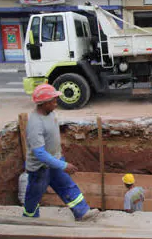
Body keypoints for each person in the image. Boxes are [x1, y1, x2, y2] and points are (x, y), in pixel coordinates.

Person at [23, 84, 99, 221]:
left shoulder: (51, 114)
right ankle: (29, 219)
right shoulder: (35, 124)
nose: (56, 103)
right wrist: (63, 165)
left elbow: (51, 138)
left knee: (67, 185)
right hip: (40, 169)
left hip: (54, 162)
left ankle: (82, 212)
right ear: (44, 103)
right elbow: (39, 153)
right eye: (53, 100)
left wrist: (59, 158)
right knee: (34, 195)